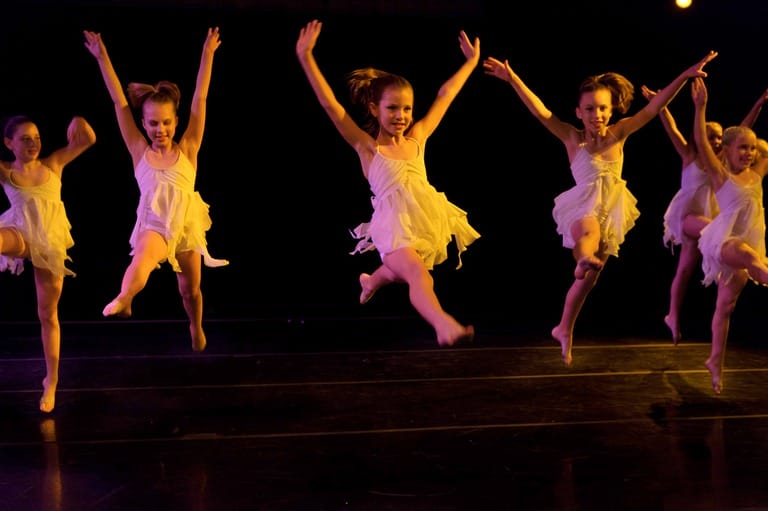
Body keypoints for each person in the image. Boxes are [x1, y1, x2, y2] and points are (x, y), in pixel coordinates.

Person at [482, 50, 717, 365]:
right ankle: (583, 259)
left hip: (611, 211)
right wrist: (512, 79)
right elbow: (540, 111)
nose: (597, 115)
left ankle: (564, 327)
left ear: (612, 109)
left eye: (603, 108)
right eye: (590, 109)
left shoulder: (619, 133)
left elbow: (654, 106)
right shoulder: (572, 138)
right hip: (581, 207)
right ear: (579, 112)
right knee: (588, 236)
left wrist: (685, 75)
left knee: (588, 280)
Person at [295, 19, 480, 347]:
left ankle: (371, 281)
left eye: (407, 108)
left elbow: (445, 94)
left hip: (424, 222)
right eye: (392, 108)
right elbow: (331, 106)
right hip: (392, 227)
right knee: (418, 275)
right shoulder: (368, 148)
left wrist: (470, 63)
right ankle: (443, 324)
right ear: (373, 108)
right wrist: (306, 56)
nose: (401, 115)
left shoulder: (418, 138)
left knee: (400, 272)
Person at [83, 27, 228, 352]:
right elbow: (119, 102)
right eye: (152, 123)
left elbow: (200, 99)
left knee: (189, 291)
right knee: (143, 261)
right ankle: (124, 296)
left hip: (187, 223)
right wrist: (102, 56)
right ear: (144, 124)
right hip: (154, 222)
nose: (159, 129)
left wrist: (207, 54)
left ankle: (195, 326)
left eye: (165, 123)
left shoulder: (188, 147)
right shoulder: (139, 150)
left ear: (176, 121)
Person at [641, 85, 766, 345]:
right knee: (713, 232)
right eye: (711, 137)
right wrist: (661, 105)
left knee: (685, 269)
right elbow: (672, 129)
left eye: (719, 138)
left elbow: (743, 128)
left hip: (711, 219)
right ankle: (726, 260)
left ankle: (672, 316)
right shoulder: (689, 155)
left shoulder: (720, 161)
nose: (716, 142)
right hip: (687, 217)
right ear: (700, 136)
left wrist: (758, 105)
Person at [1, 114, 96, 412]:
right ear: (9, 143)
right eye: (25, 139)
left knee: (47, 314)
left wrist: (79, 121)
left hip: (49, 243)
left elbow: (88, 139)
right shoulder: (5, 171)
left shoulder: (53, 163)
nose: (33, 143)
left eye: (37, 137)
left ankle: (51, 380)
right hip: (19, 233)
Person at [691, 76, 768, 395]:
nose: (749, 153)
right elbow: (701, 141)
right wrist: (700, 108)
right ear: (728, 150)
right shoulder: (719, 174)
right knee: (751, 259)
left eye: (752, 148)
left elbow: (760, 144)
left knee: (725, 308)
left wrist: (760, 106)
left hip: (748, 242)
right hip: (723, 242)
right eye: (742, 148)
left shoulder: (758, 171)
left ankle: (715, 363)